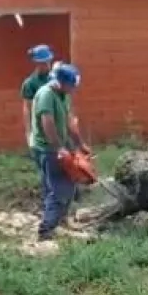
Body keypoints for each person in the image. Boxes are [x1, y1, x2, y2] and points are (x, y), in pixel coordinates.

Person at [29, 63, 90, 240]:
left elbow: (70, 121)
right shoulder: (46, 95)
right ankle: (46, 230)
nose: (73, 90)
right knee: (60, 189)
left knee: (66, 186)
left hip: (58, 147)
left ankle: (61, 222)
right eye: (72, 86)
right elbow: (47, 123)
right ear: (62, 82)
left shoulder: (63, 95)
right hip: (47, 149)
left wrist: (80, 144)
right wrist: (58, 148)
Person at [21, 44, 55, 146]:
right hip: (41, 127)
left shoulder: (56, 78)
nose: (47, 65)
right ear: (37, 63)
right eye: (43, 63)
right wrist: (29, 133)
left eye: (48, 61)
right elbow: (27, 108)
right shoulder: (30, 83)